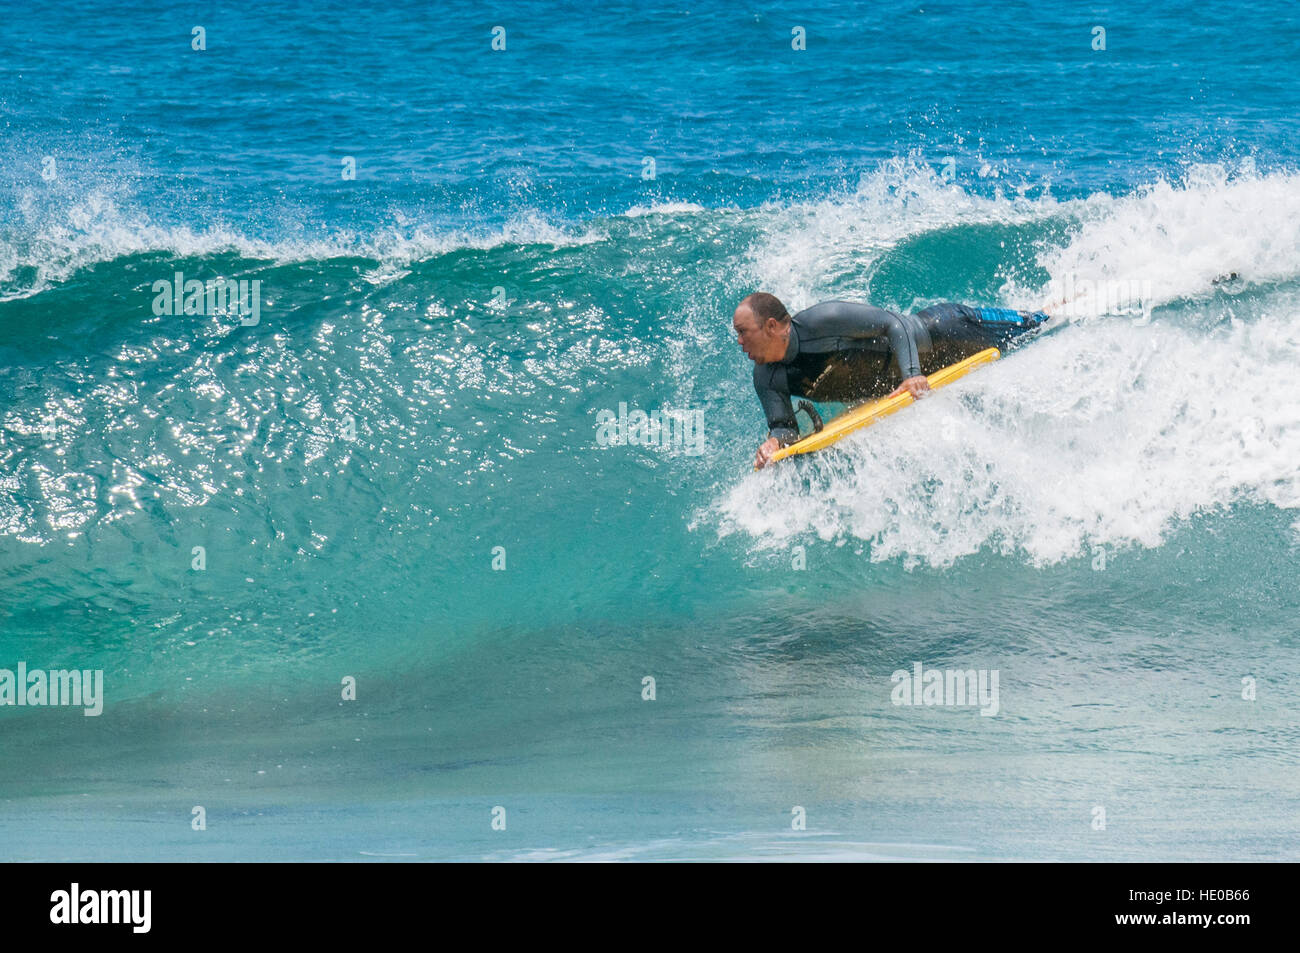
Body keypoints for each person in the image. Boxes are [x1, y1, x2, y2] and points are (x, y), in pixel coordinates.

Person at [736, 293, 1052, 468]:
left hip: (947, 332)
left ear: (772, 326)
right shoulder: (766, 377)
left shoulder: (823, 320)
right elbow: (785, 428)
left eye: (743, 332)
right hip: (914, 374)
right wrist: (775, 443)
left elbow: (892, 323)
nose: (739, 342)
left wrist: (911, 374)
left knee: (1038, 324)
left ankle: (1065, 303)